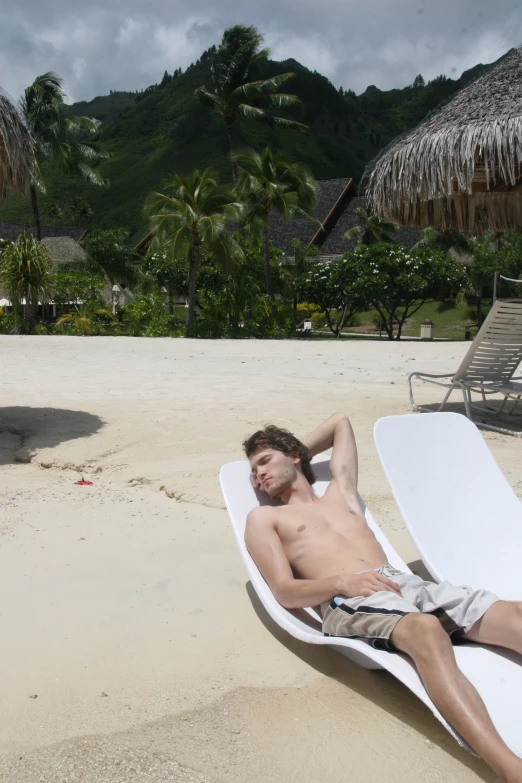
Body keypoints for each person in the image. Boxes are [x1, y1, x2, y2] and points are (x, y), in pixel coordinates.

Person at [243, 413, 522, 783]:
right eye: (253, 472)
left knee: (515, 615)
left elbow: (341, 422)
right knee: (424, 630)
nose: (259, 475)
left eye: (264, 461)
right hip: (349, 597)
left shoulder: (340, 494)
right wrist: (341, 582)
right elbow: (284, 590)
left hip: (404, 583)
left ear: (292, 455)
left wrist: (298, 455)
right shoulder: (264, 519)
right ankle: (509, 768)